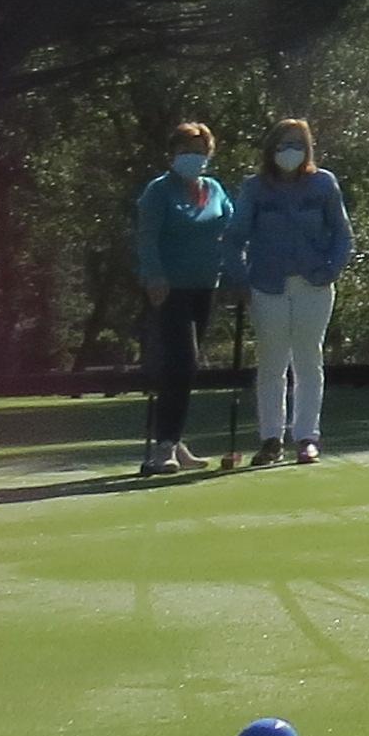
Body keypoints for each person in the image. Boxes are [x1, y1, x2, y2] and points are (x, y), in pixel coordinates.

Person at [234, 116, 355, 467]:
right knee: (272, 363)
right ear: (271, 149)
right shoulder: (254, 188)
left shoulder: (323, 184)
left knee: (308, 361)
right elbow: (235, 236)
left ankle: (307, 437)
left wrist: (329, 270)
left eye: (298, 145)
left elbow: (342, 235)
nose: (291, 152)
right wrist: (241, 278)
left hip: (313, 284)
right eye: (284, 145)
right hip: (267, 285)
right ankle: (271, 439)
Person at [130, 121, 237, 478]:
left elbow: (233, 229)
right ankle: (164, 445)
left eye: (198, 151)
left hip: (205, 286)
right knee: (182, 362)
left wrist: (239, 271)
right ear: (172, 155)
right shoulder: (158, 192)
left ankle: (175, 441)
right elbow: (147, 237)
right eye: (184, 151)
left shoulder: (215, 189)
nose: (192, 158)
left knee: (188, 367)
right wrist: (153, 275)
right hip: (169, 288)